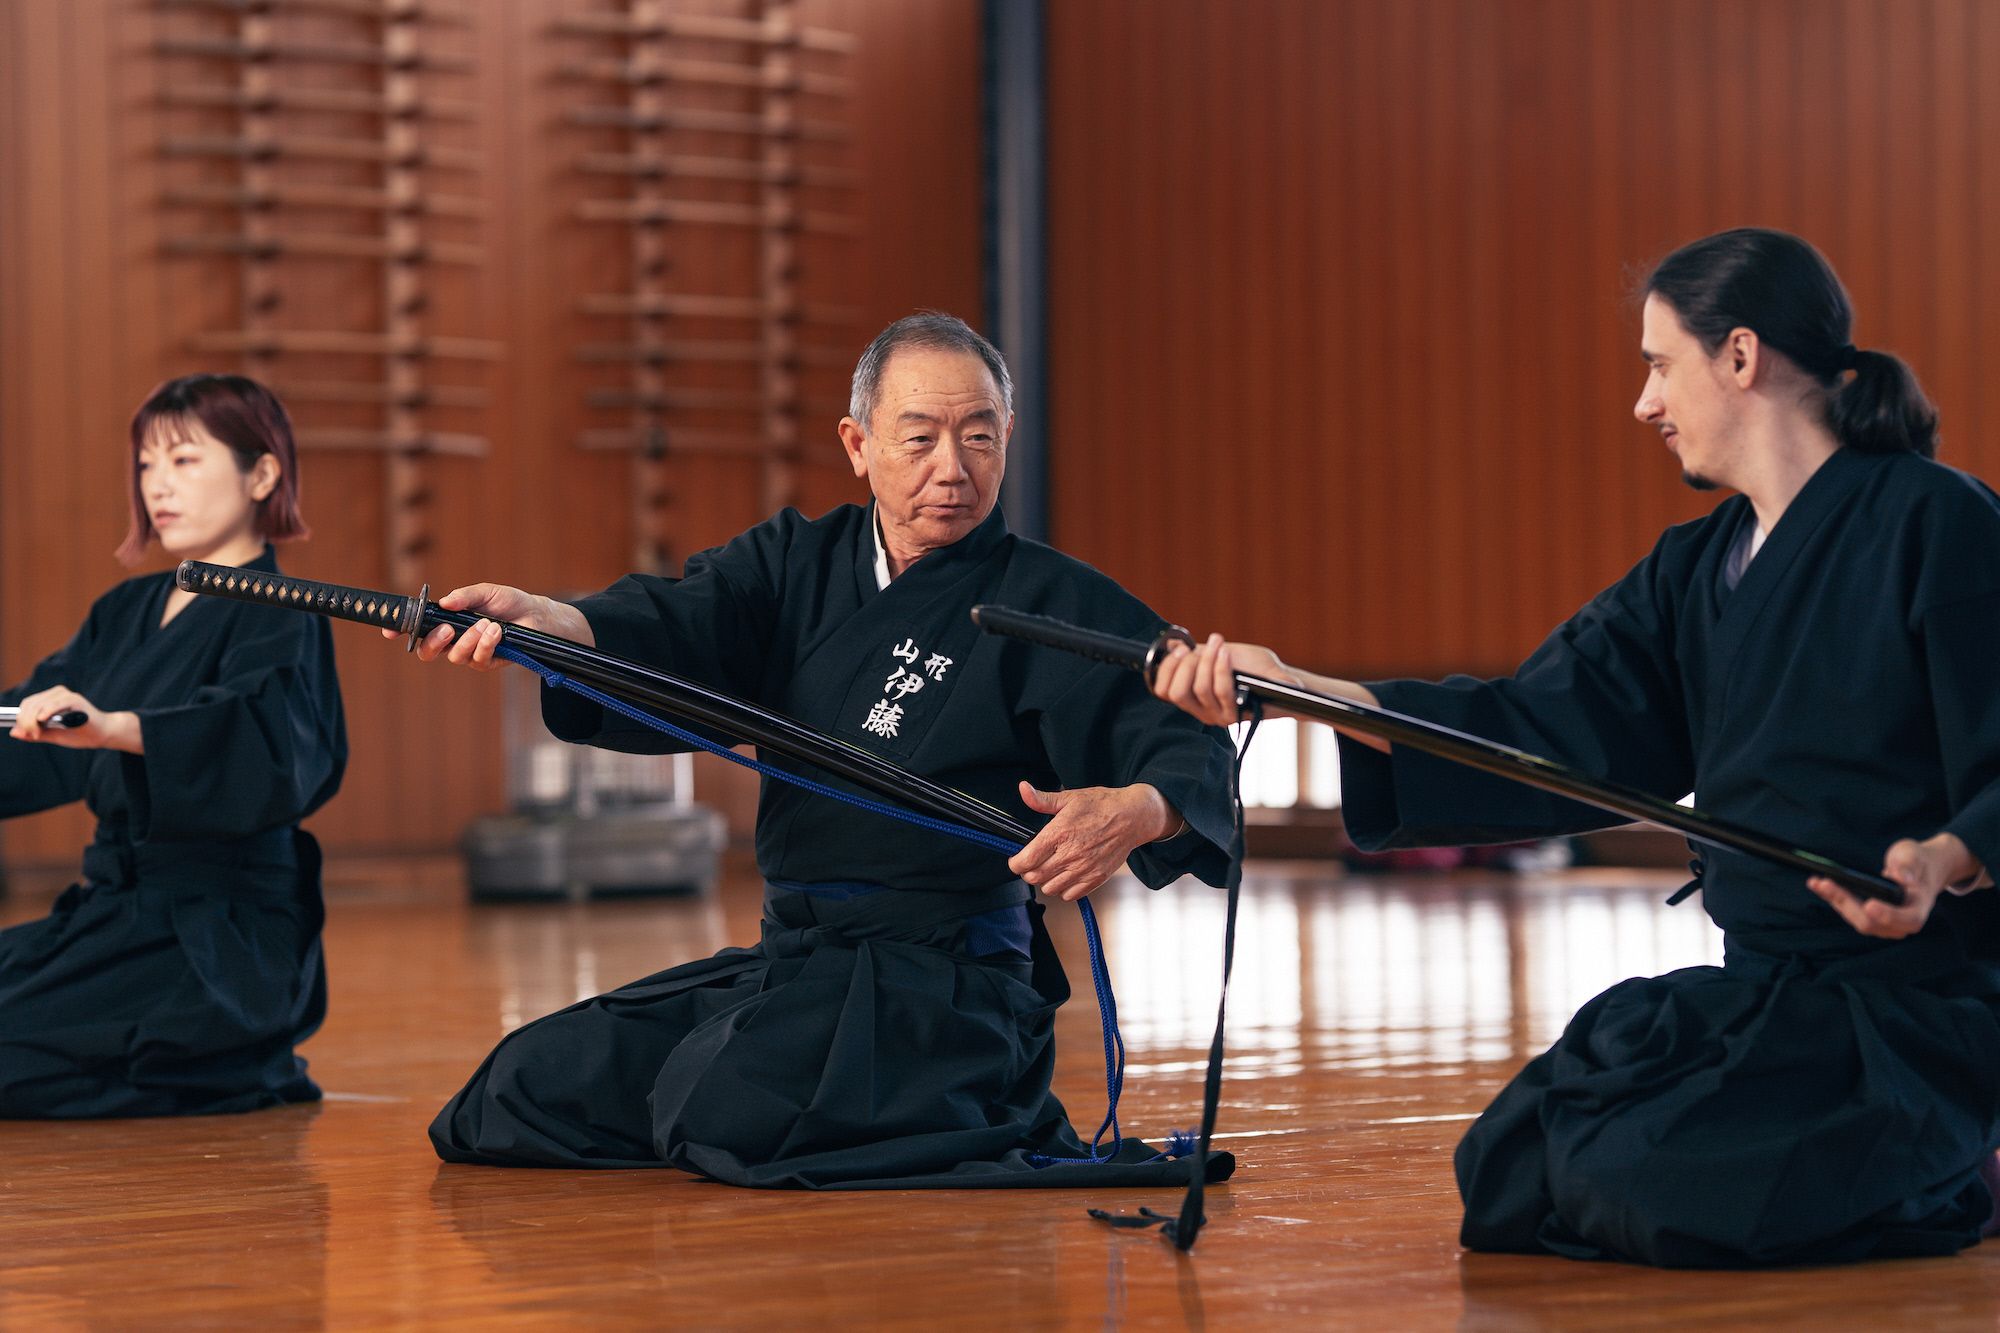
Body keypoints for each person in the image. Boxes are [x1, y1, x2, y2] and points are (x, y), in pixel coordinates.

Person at [1153, 228, 2000, 1267]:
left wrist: (1944, 860)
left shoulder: (1937, 521)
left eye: (1656, 363)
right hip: (1764, 993)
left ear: (1738, 357)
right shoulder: (1696, 569)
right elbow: (1539, 725)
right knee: (1511, 1164)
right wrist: (1303, 693)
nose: (1643, 402)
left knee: (1637, 1182)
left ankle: (1952, 1167)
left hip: (1912, 1016)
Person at [418, 313, 1236, 1188]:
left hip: (949, 990)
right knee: (512, 1093)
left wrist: (1139, 808)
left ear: (1007, 440)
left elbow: (1184, 737)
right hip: (800, 962)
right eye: (919, 438)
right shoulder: (793, 564)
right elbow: (677, 623)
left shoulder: (1052, 600)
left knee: (717, 1103)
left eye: (979, 438)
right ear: (858, 443)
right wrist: (558, 627)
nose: (951, 469)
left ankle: (971, 1097)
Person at [0, 374, 346, 1117]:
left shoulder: (285, 613)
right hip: (111, 914)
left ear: (261, 473)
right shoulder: (125, 610)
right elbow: (32, 722)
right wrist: (70, 722)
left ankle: (225, 1057)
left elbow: (263, 743)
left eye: (184, 460)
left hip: (216, 938)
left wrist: (118, 728)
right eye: (147, 465)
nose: (159, 485)